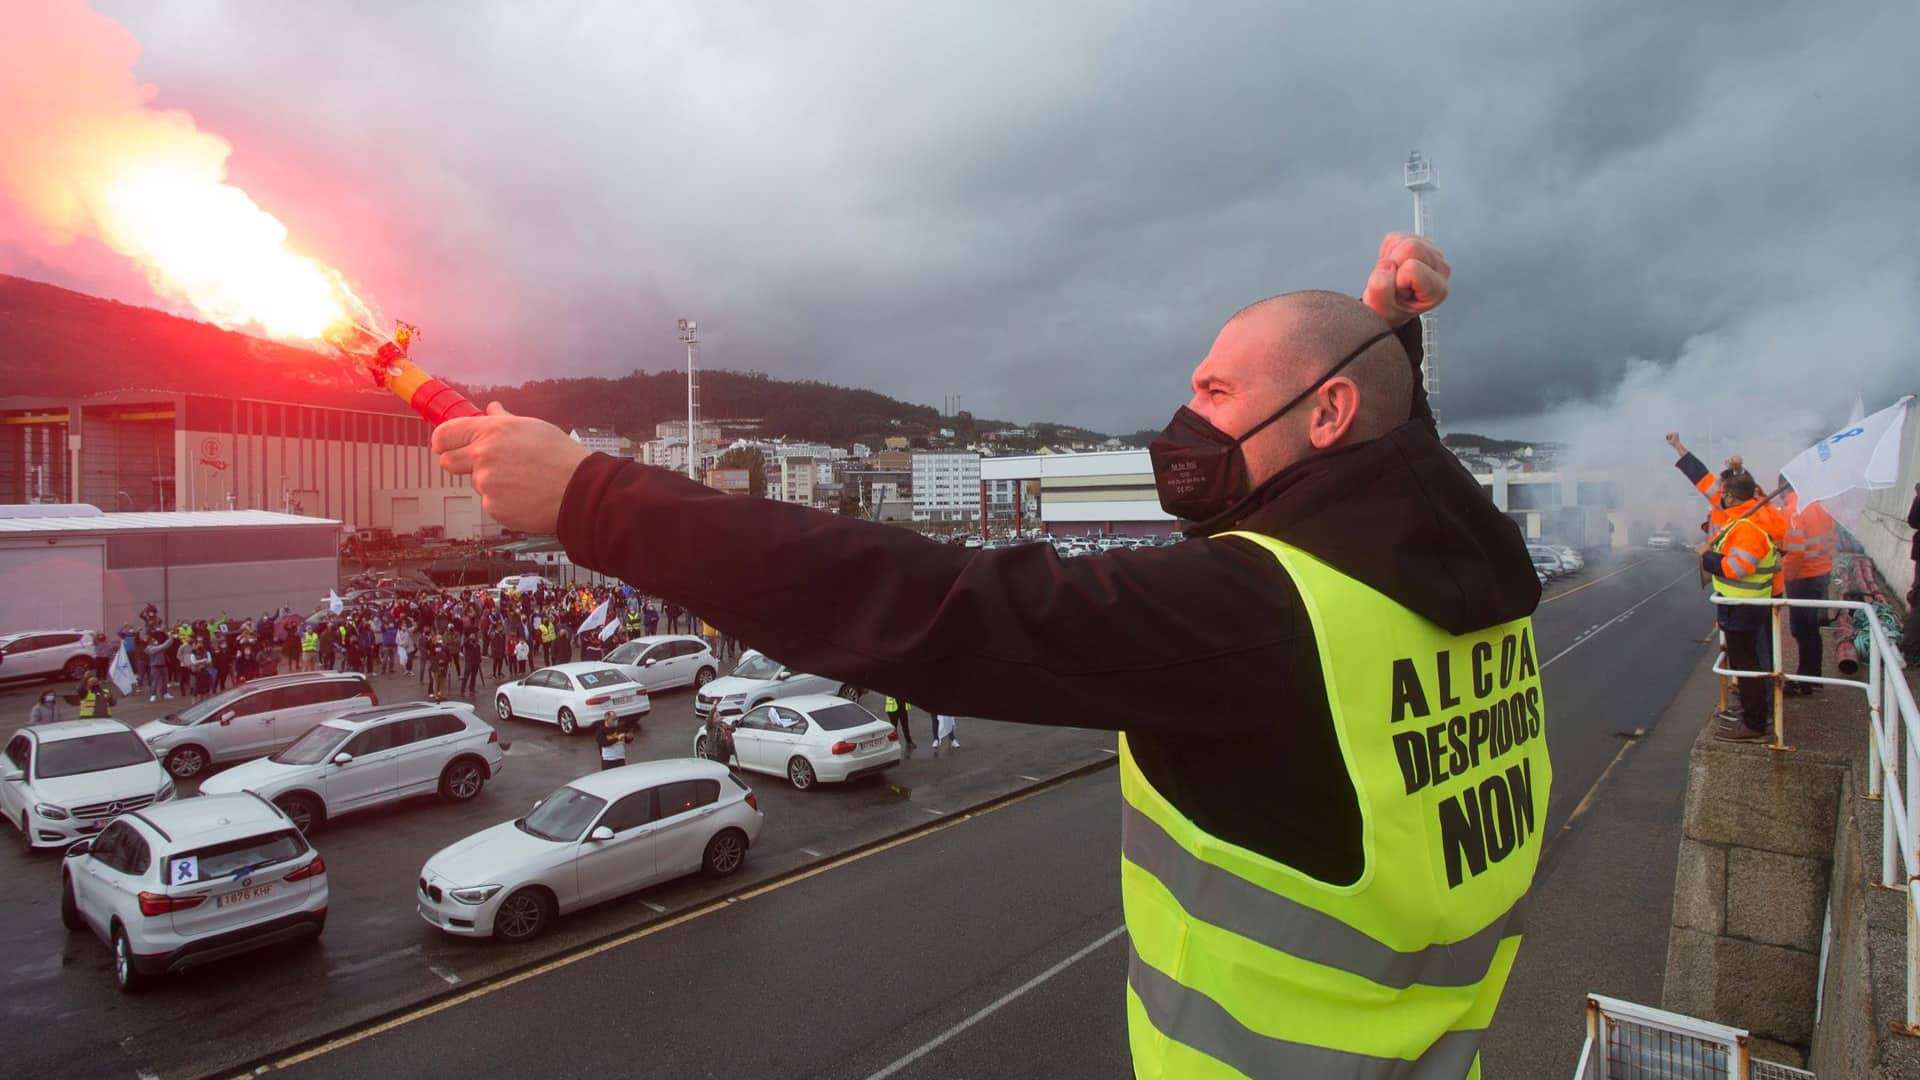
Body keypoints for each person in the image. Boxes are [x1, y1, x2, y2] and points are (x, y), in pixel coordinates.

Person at [436, 233, 1552, 1074]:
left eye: (1215, 393)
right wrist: (1385, 334)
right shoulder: (1473, 572)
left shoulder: (1253, 614)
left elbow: (929, 603)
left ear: (1326, 412)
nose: (1184, 421)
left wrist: (594, 495)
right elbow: (1396, 467)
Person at [1777, 477, 1836, 695]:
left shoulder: (1793, 510)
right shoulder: (1819, 506)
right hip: (1821, 572)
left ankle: (1805, 679)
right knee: (1812, 629)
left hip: (1803, 577)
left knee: (1801, 630)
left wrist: (1786, 575)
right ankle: (1812, 676)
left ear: (1784, 487)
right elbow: (1830, 540)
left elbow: (1795, 550)